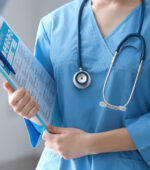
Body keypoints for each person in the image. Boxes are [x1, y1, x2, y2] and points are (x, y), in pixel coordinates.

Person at [3, 0, 150, 169]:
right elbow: (48, 114)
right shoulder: (53, 23)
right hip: (59, 163)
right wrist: (27, 108)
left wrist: (90, 143)